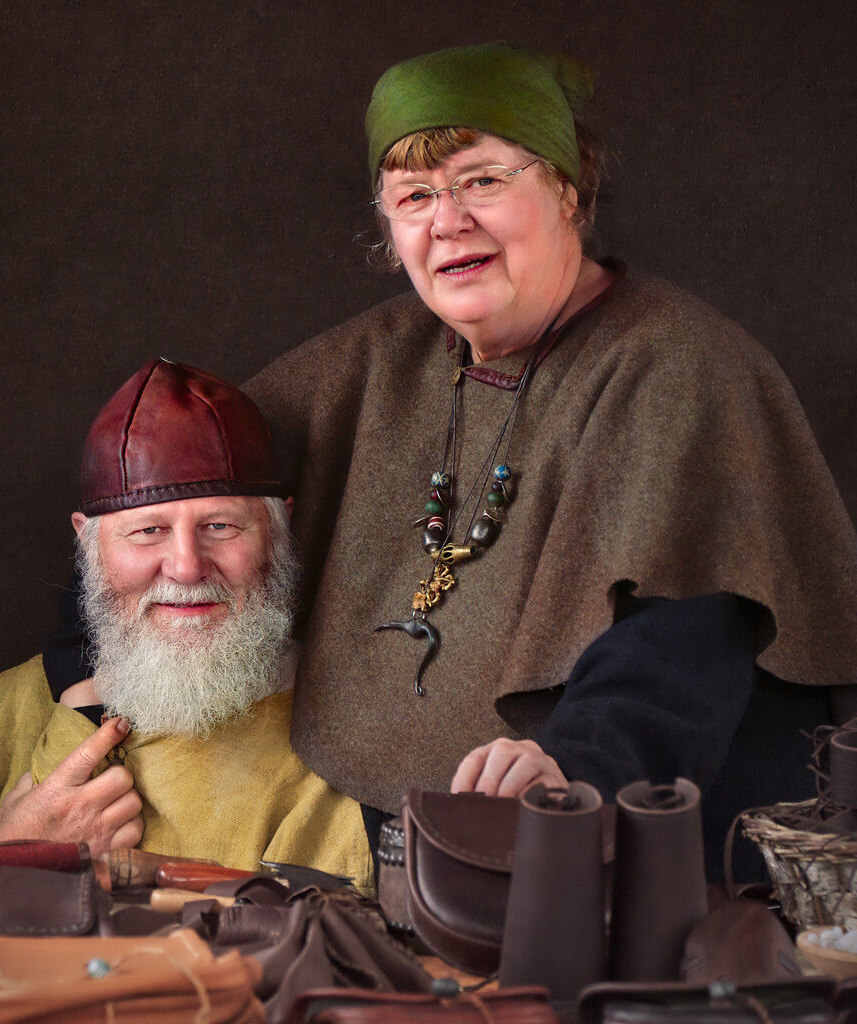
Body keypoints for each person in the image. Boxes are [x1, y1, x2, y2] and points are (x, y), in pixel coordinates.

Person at [44, 44, 857, 877]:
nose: (448, 221)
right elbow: (168, 486)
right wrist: (86, 651)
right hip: (402, 853)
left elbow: (683, 643)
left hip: (626, 852)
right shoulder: (371, 359)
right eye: (415, 196)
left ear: (569, 189)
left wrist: (576, 771)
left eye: (484, 181)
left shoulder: (682, 368)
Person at [0, 358, 373, 892]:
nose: (186, 566)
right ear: (88, 542)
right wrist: (1, 872)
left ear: (279, 527)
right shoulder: (8, 711)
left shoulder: (350, 736)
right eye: (148, 530)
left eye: (220, 526)